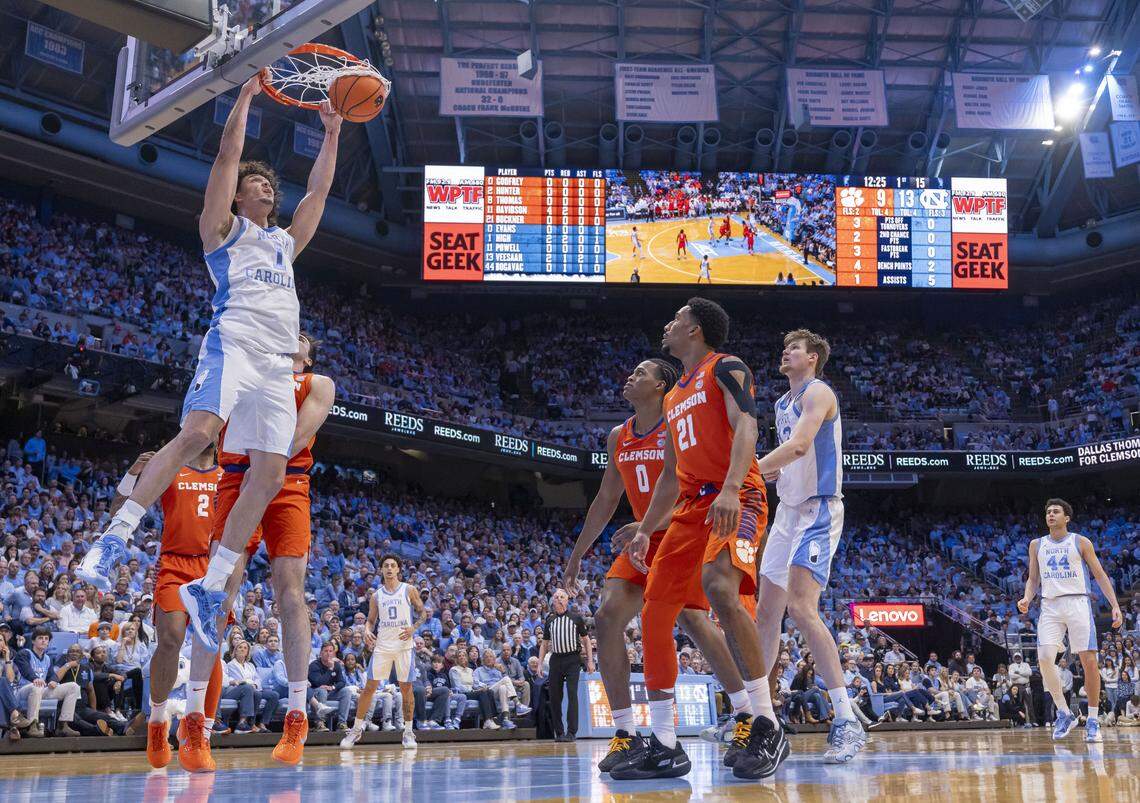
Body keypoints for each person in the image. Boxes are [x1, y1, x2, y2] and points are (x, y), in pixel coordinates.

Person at [78, 75, 341, 670]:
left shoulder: (283, 244)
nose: (265, 187)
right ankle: (113, 537)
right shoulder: (221, 232)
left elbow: (318, 197)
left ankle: (210, 582)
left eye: (269, 184)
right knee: (198, 433)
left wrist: (331, 134)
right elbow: (226, 156)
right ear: (237, 198)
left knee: (270, 474)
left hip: (276, 366)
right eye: (256, 183)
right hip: (233, 345)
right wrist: (245, 98)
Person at [613, 299, 778, 782]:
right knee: (656, 611)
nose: (668, 323)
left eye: (676, 319)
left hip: (737, 495)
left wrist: (729, 488)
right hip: (688, 508)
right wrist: (645, 530)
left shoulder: (725, 367)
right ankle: (664, 741)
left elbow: (748, 423)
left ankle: (764, 719)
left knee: (721, 590)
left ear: (696, 329)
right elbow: (669, 474)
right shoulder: (671, 398)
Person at [561, 357, 752, 773]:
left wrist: (648, 524)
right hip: (641, 537)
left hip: (680, 528)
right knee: (607, 617)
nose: (630, 376)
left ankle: (745, 712)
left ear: (662, 386)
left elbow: (693, 485)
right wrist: (577, 555)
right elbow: (606, 499)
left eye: (641, 373)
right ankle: (626, 733)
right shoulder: (618, 436)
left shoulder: (678, 424)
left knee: (693, 619)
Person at [180, 332, 335, 770]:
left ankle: (297, 714)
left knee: (290, 591)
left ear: (307, 355)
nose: (292, 336)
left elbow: (293, 440)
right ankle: (195, 721)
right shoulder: (244, 372)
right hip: (233, 478)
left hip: (288, 482)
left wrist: (263, 466)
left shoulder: (317, 384)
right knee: (220, 592)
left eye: (301, 337)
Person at [753, 329, 866, 764]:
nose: (786, 351)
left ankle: (845, 720)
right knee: (766, 614)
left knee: (801, 609)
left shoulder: (819, 392)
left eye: (795, 347)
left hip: (819, 509)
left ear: (813, 357)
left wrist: (746, 472)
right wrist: (762, 474)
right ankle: (760, 717)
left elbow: (800, 446)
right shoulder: (781, 404)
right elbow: (785, 462)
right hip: (787, 513)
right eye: (785, 346)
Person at [107, 448, 226, 767]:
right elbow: (118, 510)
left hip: (213, 568)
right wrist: (133, 473)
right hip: (175, 564)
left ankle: (202, 734)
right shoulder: (171, 467)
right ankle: (157, 722)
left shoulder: (227, 475)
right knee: (171, 639)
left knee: (209, 646)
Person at [1018, 498, 1123, 743]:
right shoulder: (1036, 545)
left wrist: (1115, 605)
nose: (1051, 515)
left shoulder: (1080, 541)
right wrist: (1026, 597)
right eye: (1048, 512)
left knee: (1089, 661)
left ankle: (1094, 720)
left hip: (1078, 603)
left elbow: (1099, 574)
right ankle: (1065, 713)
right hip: (1050, 605)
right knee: (1044, 658)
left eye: (1056, 511)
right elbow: (1033, 579)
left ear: (1067, 518)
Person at [341, 555, 426, 750]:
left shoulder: (409, 589)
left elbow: (422, 613)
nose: (389, 568)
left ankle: (408, 732)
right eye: (386, 566)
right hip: (382, 646)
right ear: (381, 569)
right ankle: (356, 729)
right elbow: (371, 620)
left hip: (404, 646)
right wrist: (368, 630)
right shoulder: (376, 595)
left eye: (393, 566)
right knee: (369, 687)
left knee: (406, 689)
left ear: (398, 570)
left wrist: (414, 628)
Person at [538, 589, 591, 743]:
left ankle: (572, 732)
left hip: (573, 659)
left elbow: (586, 640)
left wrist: (590, 660)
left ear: (567, 600)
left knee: (572, 694)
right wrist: (540, 663)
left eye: (562, 597)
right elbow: (544, 644)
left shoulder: (576, 618)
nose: (559, 599)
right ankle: (559, 732)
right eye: (556, 597)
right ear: (553, 601)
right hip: (556, 659)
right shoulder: (550, 620)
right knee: (555, 697)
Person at [14, 627, 81, 736]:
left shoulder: (47, 658)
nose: (44, 640)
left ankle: (63, 725)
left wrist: (53, 681)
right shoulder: (24, 653)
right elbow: (25, 670)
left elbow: (52, 675)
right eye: (40, 638)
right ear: (33, 641)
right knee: (36, 686)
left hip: (40, 691)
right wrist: (34, 678)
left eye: (46, 638)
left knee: (73, 686)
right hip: (23, 691)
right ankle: (32, 725)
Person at [224, 641, 279, 733]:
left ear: (248, 652)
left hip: (253, 687)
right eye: (240, 647)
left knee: (274, 695)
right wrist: (238, 682)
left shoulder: (250, 665)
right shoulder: (230, 665)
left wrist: (255, 684)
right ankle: (249, 723)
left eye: (245, 648)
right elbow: (228, 678)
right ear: (235, 650)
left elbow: (257, 678)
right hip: (237, 689)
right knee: (253, 692)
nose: (242, 649)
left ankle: (262, 723)